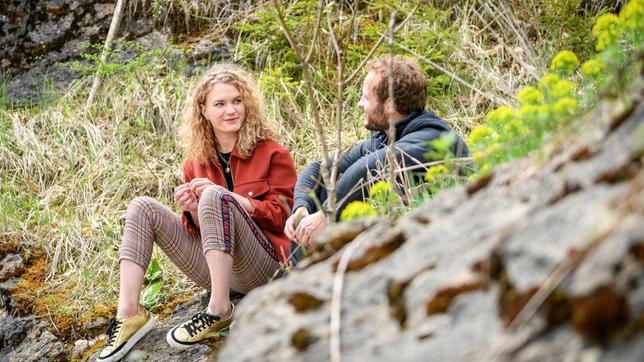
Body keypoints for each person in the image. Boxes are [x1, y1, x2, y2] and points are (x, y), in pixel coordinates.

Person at [98, 64, 297, 362]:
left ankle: (220, 310)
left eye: (237, 101)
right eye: (220, 104)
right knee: (142, 206)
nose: (231, 110)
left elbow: (283, 217)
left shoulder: (272, 153)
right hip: (220, 270)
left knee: (216, 196)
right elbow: (201, 232)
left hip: (264, 267)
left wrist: (230, 199)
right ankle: (129, 315)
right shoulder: (196, 162)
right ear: (203, 110)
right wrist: (191, 212)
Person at [284, 55, 468, 246]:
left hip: (448, 242)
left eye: (366, 97)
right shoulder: (385, 136)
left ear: (389, 105)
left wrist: (327, 214)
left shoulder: (429, 137)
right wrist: (301, 207)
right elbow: (320, 168)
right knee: (320, 193)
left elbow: (368, 168)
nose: (359, 104)